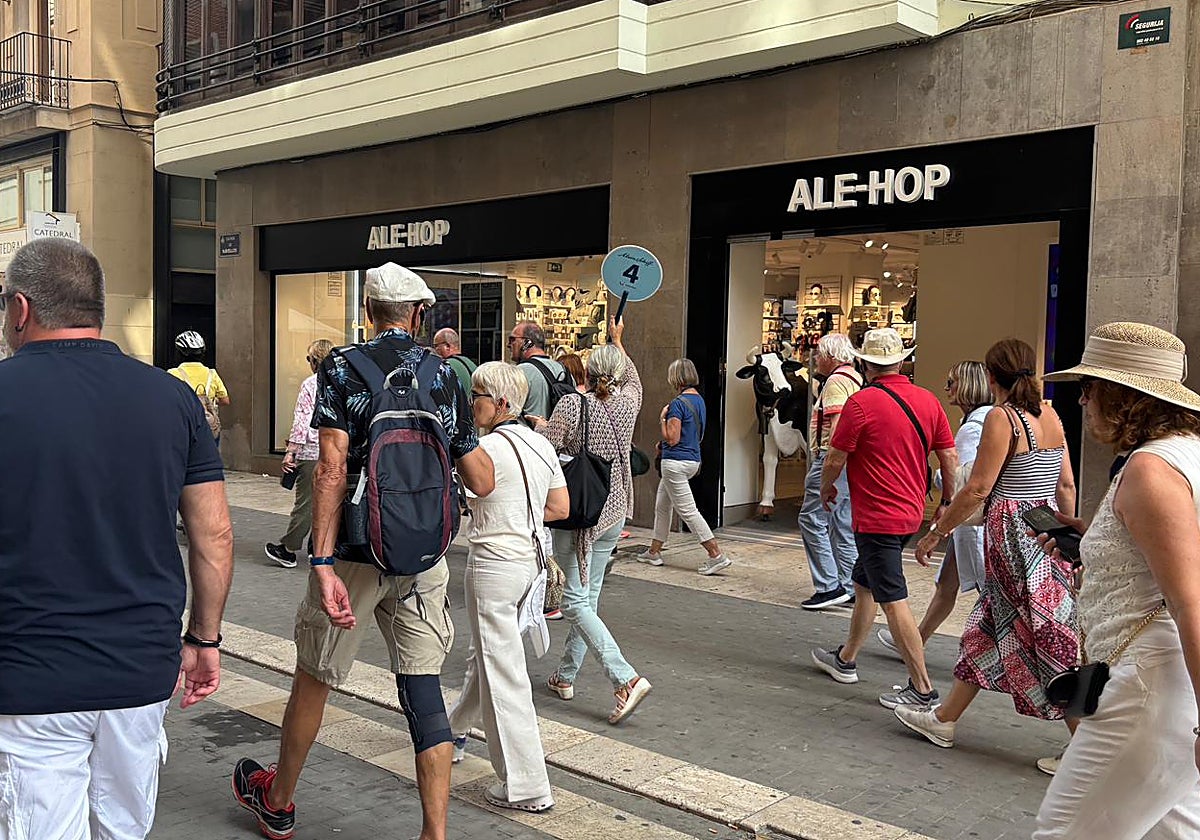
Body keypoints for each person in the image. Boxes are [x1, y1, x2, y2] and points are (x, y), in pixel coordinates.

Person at [232, 263, 495, 840]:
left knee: (316, 675)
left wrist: (322, 563)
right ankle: (434, 833)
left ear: (369, 312)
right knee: (423, 690)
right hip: (422, 554)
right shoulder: (444, 375)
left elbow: (330, 468)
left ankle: (278, 802)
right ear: (419, 314)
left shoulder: (342, 367)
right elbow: (481, 478)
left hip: (354, 550)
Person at [0, 238, 234, 838]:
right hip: (140, 671)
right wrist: (204, 638)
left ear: (21, 309)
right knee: (124, 829)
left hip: (29, 678)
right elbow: (214, 535)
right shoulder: (172, 398)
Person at [1027, 322, 1200, 838]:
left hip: (1149, 685)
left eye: (1089, 387)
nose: (1082, 401)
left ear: (1123, 396)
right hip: (1163, 685)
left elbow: (1190, 600)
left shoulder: (1150, 469)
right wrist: (1094, 539)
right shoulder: (1185, 453)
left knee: (1063, 832)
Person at [896, 338, 1078, 748]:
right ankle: (944, 719)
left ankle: (1085, 745)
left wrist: (937, 531)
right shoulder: (1051, 414)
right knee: (990, 627)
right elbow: (1065, 484)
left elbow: (978, 488)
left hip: (1013, 536)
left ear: (992, 376)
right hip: (1048, 529)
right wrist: (1069, 540)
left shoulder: (1002, 418)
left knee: (1042, 633)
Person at [810, 327, 958, 709]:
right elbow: (949, 456)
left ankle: (922, 689)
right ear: (901, 362)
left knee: (893, 599)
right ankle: (845, 659)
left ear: (865, 364)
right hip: (911, 513)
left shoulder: (860, 404)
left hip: (877, 516)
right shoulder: (928, 401)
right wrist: (946, 501)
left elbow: (835, 457)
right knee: (864, 583)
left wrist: (826, 488)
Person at [447, 362, 569, 812]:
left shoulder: (484, 448)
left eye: (476, 394)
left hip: (493, 565)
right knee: (488, 658)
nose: (470, 402)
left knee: (504, 674)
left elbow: (468, 496)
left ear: (499, 403)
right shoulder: (541, 444)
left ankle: (527, 785)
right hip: (529, 565)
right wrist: (523, 512)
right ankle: (452, 730)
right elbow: (560, 506)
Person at [536, 318, 653, 724]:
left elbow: (549, 447)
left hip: (581, 512)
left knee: (573, 602)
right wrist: (619, 340)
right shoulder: (629, 402)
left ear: (586, 371)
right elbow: (633, 378)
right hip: (614, 509)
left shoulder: (572, 404)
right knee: (589, 598)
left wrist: (540, 427)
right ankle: (565, 675)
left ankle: (625, 678)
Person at [879, 360, 991, 650]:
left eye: (952, 382)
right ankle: (915, 641)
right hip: (969, 521)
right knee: (947, 584)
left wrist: (934, 477)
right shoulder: (985, 420)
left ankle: (993, 652)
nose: (946, 388)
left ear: (967, 386)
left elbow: (964, 478)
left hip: (971, 522)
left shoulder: (973, 427)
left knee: (987, 591)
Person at [639, 358, 731, 576]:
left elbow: (672, 438)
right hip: (692, 460)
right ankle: (654, 552)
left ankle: (716, 555)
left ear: (676, 377)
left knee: (688, 511)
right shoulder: (699, 401)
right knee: (662, 505)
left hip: (675, 463)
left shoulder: (677, 404)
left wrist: (662, 419)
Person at [798, 333, 863, 609]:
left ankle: (828, 586)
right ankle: (850, 586)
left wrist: (829, 467)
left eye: (819, 354)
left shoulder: (836, 382)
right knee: (842, 524)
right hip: (851, 461)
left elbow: (837, 425)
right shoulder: (855, 378)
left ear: (831, 357)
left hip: (831, 456)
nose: (816, 359)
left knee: (811, 519)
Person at [266, 339, 336, 568]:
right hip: (336, 450)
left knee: (306, 503)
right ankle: (321, 548)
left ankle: (288, 548)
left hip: (312, 450)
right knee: (329, 502)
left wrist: (291, 452)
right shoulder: (341, 382)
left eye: (309, 359)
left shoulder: (310, 384)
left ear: (315, 361)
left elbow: (302, 421)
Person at [169, 329, 231, 436]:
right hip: (207, 428)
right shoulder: (212, 374)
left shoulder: (172, 374)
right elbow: (225, 401)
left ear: (179, 353)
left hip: (183, 427)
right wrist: (210, 400)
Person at [509, 320, 572, 420]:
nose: (509, 345)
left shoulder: (519, 372)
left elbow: (508, 412)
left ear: (527, 343)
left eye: (512, 339)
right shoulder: (564, 370)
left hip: (528, 430)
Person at [433, 327, 477, 393]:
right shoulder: (471, 363)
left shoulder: (444, 366)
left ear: (447, 346)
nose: (435, 349)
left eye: (436, 346)